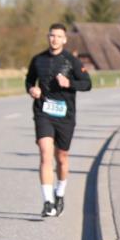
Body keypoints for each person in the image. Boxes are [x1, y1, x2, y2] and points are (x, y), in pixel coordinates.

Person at [25, 23, 92, 218]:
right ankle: (47, 201)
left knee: (61, 158)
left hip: (65, 115)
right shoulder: (38, 60)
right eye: (51, 35)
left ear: (64, 39)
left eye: (58, 36)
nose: (54, 39)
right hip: (43, 111)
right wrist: (32, 89)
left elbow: (87, 84)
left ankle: (59, 194)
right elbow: (29, 80)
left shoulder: (72, 61)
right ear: (48, 37)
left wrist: (69, 83)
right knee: (45, 154)